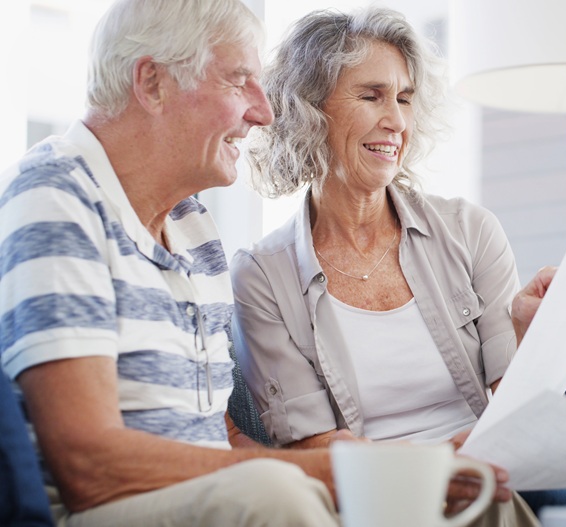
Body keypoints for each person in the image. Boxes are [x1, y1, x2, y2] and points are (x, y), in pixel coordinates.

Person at [0, 1, 511, 525]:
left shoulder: (192, 226)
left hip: (214, 497)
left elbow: (217, 434)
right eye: (238, 81)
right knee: (276, 492)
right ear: (152, 83)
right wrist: (347, 473)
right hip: (108, 507)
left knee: (474, 500)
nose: (264, 112)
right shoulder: (57, 198)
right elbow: (87, 465)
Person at [230, 7, 550, 526]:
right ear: (311, 110)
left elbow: (513, 417)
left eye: (404, 99)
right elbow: (316, 445)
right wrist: (430, 469)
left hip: (483, 482)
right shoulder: (262, 276)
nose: (397, 121)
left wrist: (528, 335)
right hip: (373, 497)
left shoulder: (470, 231)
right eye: (371, 96)